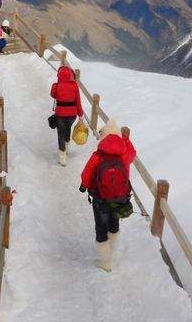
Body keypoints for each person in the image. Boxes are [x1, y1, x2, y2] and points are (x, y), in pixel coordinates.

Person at [79, 121, 137, 272]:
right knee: (114, 224)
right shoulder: (124, 155)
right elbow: (133, 153)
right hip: (120, 198)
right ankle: (110, 252)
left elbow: (86, 173)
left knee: (101, 228)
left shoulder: (97, 156)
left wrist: (84, 185)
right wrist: (126, 139)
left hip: (100, 198)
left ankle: (106, 261)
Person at [50, 66, 83, 166]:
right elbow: (78, 102)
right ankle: (67, 146)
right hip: (72, 114)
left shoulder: (57, 85)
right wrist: (80, 115)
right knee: (68, 129)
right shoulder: (74, 86)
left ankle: (62, 157)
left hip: (60, 113)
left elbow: (53, 95)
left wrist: (56, 87)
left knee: (61, 133)